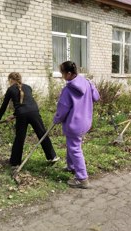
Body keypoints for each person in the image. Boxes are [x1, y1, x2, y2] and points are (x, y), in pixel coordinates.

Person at [0, 72, 59, 167]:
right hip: (34, 112)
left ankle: (15, 162)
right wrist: (14, 114)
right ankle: (52, 156)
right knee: (42, 133)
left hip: (22, 115)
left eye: (8, 81)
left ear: (11, 80)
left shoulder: (10, 89)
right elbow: (27, 103)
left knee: (19, 137)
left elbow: (4, 106)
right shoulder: (28, 87)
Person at [53, 61, 100, 189]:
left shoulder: (68, 90)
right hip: (85, 121)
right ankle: (71, 166)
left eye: (62, 73)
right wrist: (92, 86)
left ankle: (82, 178)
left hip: (74, 124)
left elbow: (62, 109)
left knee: (75, 148)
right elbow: (96, 97)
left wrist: (56, 119)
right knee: (72, 144)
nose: (62, 76)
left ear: (69, 73)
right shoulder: (87, 82)